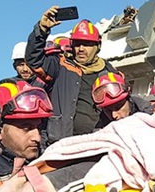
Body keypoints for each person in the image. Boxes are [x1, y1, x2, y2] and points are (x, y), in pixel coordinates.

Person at [27, 8, 116, 143]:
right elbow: (34, 60)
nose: (81, 49)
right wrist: (41, 30)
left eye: (87, 44)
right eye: (77, 44)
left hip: (95, 145)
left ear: (98, 46)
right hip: (59, 144)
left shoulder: (109, 73)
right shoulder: (60, 65)